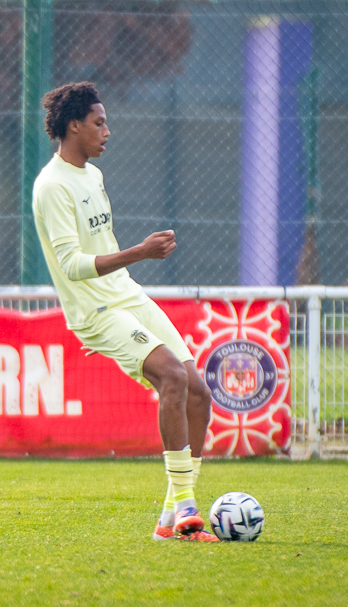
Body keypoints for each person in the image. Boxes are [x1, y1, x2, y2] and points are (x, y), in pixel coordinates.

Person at [31, 82, 216, 542]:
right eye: (99, 123)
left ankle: (170, 519)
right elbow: (73, 266)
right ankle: (188, 509)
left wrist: (133, 263)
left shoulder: (91, 175)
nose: (107, 131)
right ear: (74, 126)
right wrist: (141, 252)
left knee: (198, 394)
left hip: (125, 294)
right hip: (95, 310)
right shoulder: (51, 186)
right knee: (171, 378)